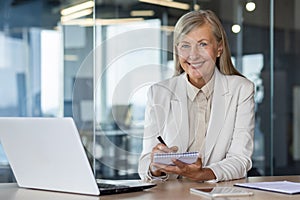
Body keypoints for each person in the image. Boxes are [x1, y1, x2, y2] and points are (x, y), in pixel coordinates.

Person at [138, 10, 255, 182]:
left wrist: (203, 174)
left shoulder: (241, 90)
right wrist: (155, 167)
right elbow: (144, 164)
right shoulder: (159, 93)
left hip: (218, 192)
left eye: (202, 44)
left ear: (219, 48)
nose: (193, 55)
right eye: (185, 45)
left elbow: (240, 160)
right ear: (177, 50)